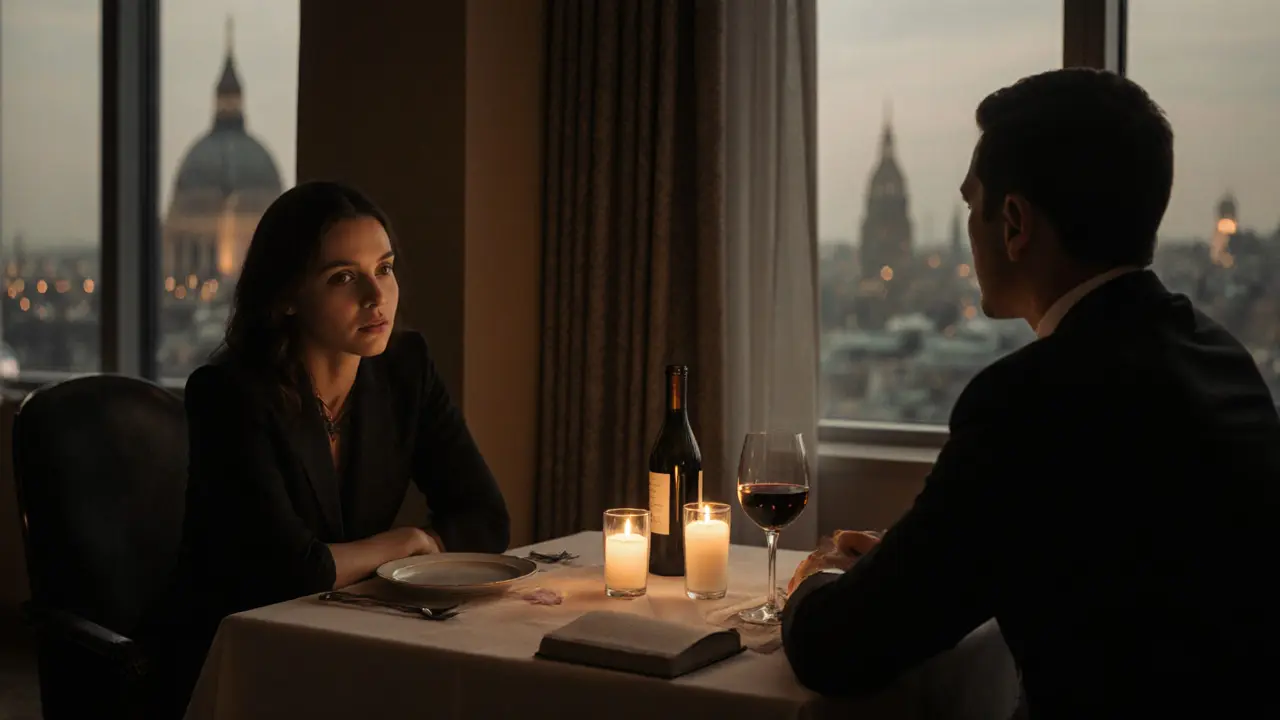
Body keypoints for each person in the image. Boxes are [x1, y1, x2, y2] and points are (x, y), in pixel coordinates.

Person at [782, 68, 1278, 718]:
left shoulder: (1025, 402)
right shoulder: (1225, 362)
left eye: (970, 204)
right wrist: (916, 562)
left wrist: (812, 579)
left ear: (1013, 222)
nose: (967, 225)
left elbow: (837, 648)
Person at [147, 181, 510, 716]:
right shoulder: (229, 394)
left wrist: (386, 551)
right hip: (236, 658)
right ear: (287, 296)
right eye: (344, 277)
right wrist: (408, 543)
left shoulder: (405, 368)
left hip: (348, 633)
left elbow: (486, 519)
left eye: (384, 268)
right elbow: (291, 572)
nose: (375, 295)